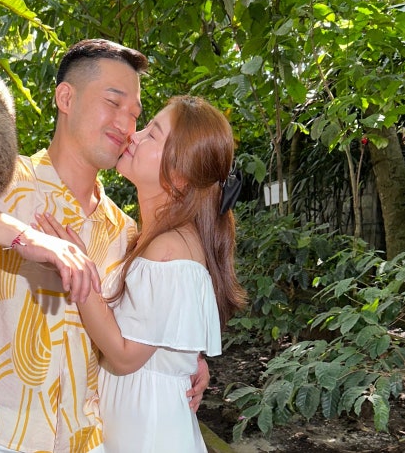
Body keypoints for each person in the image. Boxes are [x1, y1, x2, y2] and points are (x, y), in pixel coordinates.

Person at [0, 39, 210, 453]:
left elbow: (132, 332)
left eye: (135, 114)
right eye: (113, 102)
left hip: (85, 439)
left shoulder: (125, 233)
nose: (126, 123)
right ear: (66, 98)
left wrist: (183, 361)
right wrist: (25, 237)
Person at [36, 95, 248, 453]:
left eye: (152, 134)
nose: (133, 136)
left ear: (179, 175)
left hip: (149, 433)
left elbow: (124, 356)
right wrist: (187, 359)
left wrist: (77, 266)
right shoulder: (153, 238)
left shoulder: (171, 248)